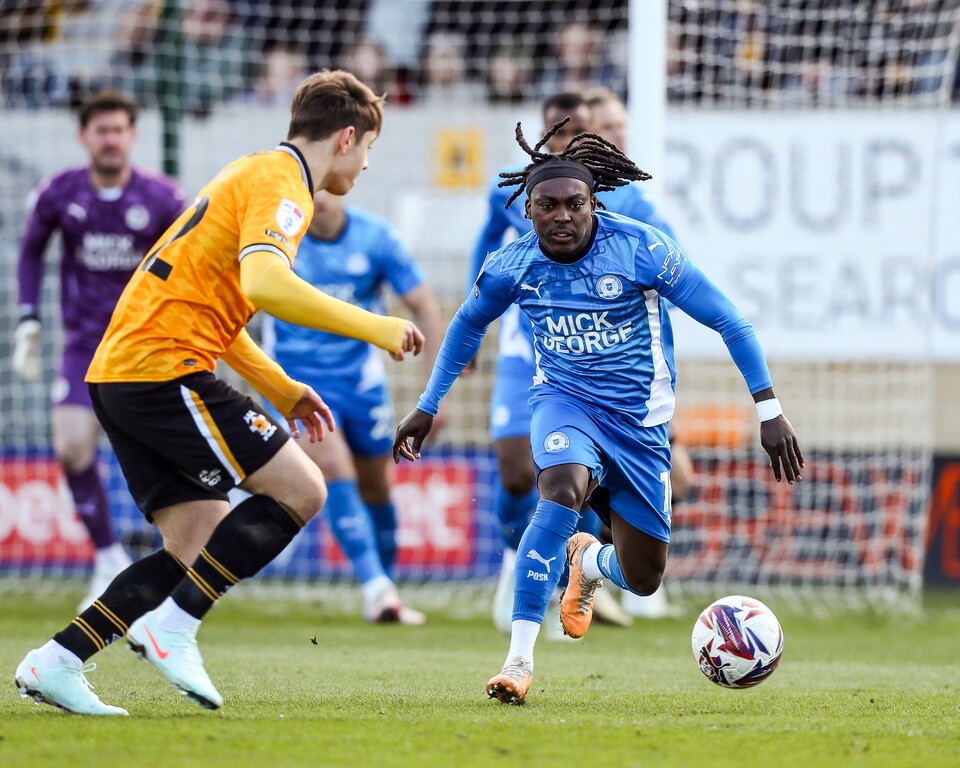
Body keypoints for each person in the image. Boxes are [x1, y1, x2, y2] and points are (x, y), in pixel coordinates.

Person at [15, 69, 424, 717]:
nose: (368, 164)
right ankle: (173, 627)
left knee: (194, 541)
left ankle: (57, 661)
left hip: (125, 373)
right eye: (369, 148)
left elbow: (221, 310)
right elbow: (265, 285)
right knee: (303, 488)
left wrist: (281, 388)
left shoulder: (255, 171)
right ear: (347, 138)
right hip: (161, 369)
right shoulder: (285, 185)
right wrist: (376, 326)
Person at [394, 119, 803, 705]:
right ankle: (518, 660)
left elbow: (728, 320)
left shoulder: (641, 248)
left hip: (640, 423)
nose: (561, 216)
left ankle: (588, 562)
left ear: (594, 204)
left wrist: (769, 410)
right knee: (561, 489)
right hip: (563, 402)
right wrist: (427, 406)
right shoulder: (512, 265)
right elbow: (466, 324)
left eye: (575, 204)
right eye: (547, 206)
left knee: (643, 578)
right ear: (528, 211)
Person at [469, 91, 681, 633]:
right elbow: (485, 248)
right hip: (527, 345)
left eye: (574, 133)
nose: (562, 142)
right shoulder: (515, 189)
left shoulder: (630, 202)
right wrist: (476, 319)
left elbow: (671, 275)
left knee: (577, 474)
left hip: (598, 359)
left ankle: (571, 570)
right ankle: (518, 561)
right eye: (554, 132)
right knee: (518, 472)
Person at [13, 89, 187, 612]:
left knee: (168, 459)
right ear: (84, 137)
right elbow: (30, 251)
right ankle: (108, 557)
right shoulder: (59, 192)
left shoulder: (162, 197)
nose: (110, 139)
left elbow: (190, 262)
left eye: (118, 130)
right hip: (85, 345)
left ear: (133, 136)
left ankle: (175, 566)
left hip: (147, 345)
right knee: (71, 447)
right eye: (101, 130)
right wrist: (28, 317)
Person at [261, 189, 447, 624]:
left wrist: (434, 394)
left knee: (377, 486)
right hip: (296, 385)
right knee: (333, 467)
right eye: (312, 187)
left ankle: (387, 589)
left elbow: (424, 305)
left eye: (329, 185)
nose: (321, 196)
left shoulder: (376, 237)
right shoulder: (276, 240)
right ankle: (376, 588)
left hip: (362, 385)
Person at [584, 85, 698, 619]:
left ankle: (606, 570)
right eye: (607, 127)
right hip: (586, 371)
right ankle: (565, 575)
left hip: (640, 374)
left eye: (622, 125)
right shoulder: (561, 199)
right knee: (574, 478)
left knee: (680, 480)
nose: (619, 135)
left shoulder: (635, 201)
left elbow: (677, 272)